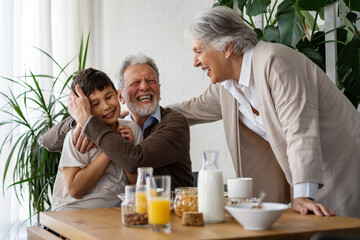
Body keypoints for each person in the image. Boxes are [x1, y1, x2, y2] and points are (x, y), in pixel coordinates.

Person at [170, 6, 360, 218]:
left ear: (227, 48)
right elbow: (190, 110)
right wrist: (141, 114)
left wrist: (303, 194)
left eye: (199, 51)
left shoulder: (275, 63)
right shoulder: (226, 87)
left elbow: (300, 129)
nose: (195, 62)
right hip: (306, 175)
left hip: (345, 165)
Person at [42, 53, 193, 190]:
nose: (144, 86)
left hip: (171, 211)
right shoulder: (112, 122)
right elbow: (48, 142)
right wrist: (78, 120)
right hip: (123, 211)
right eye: (135, 83)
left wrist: (89, 122)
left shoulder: (174, 123)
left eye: (151, 81)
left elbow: (136, 161)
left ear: (158, 90)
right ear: (120, 96)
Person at [52, 68, 142, 211]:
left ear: (118, 94)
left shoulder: (132, 130)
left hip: (113, 212)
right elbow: (75, 190)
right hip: (72, 212)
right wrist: (114, 147)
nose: (106, 106)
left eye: (108, 97)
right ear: (84, 108)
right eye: (95, 104)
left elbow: (135, 186)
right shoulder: (78, 136)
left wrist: (128, 150)